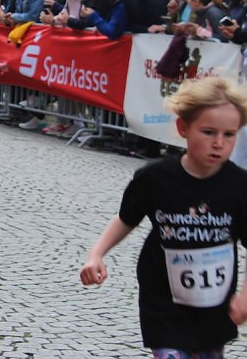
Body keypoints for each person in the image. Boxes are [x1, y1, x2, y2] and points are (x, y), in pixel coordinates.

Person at [80, 76, 247, 358]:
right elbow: (126, 218)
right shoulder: (155, 178)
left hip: (213, 303)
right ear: (183, 128)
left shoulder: (239, 186)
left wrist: (244, 296)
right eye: (208, 132)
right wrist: (96, 254)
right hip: (163, 299)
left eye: (229, 135)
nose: (219, 143)